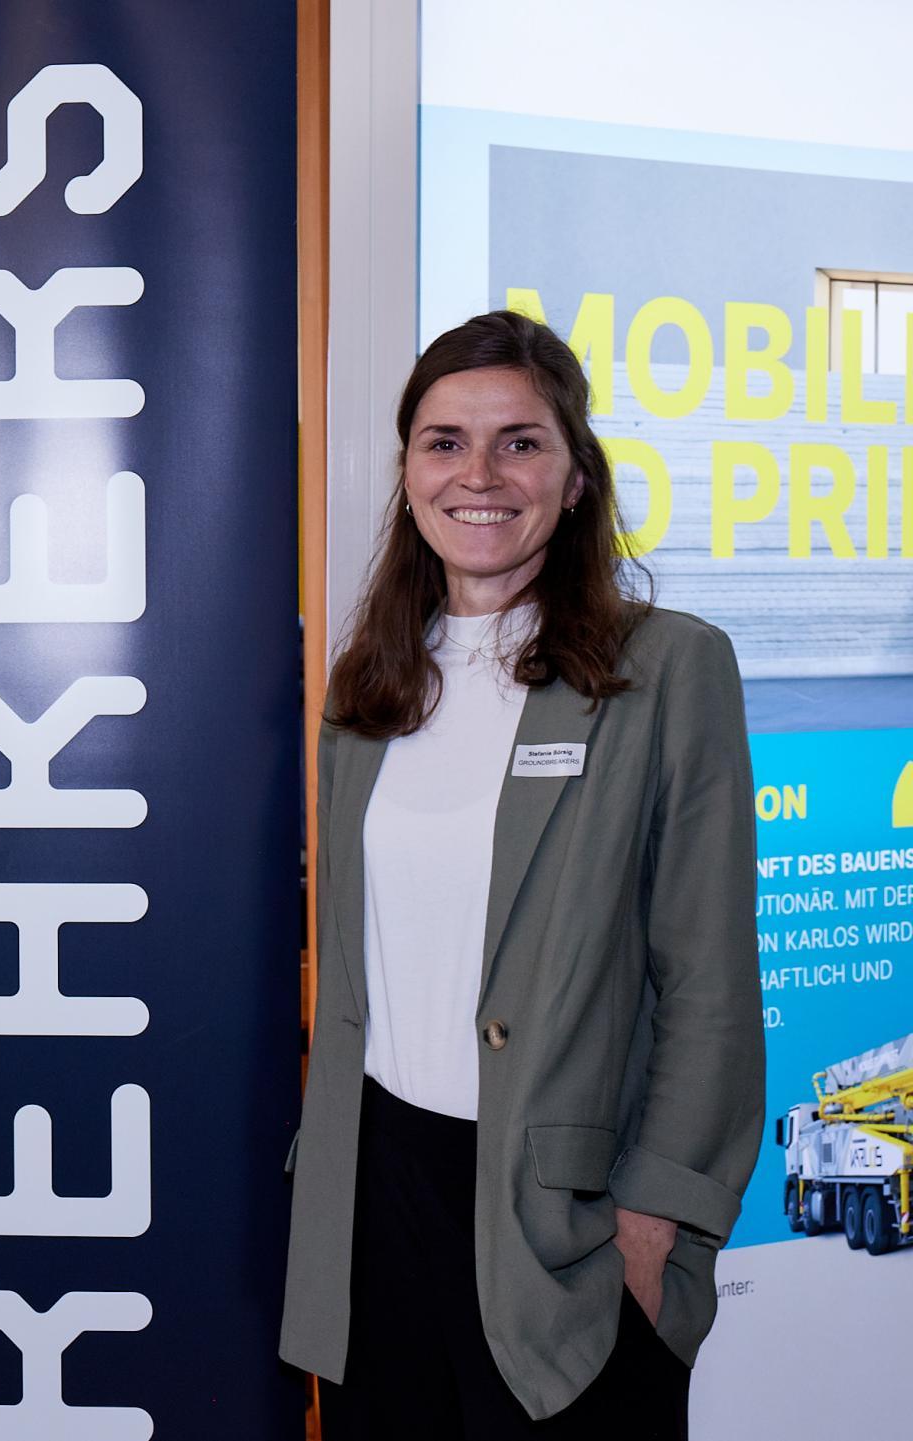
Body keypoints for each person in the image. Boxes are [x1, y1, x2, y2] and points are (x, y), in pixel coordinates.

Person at [279, 310, 764, 1437]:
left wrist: (654, 1227)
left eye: (521, 442)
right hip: (374, 1209)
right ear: (408, 474)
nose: (480, 475)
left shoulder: (667, 670)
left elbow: (708, 985)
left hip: (568, 1232)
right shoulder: (368, 686)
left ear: (576, 476)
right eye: (445, 442)